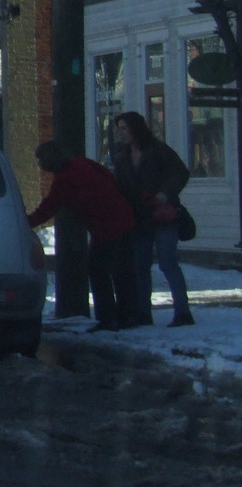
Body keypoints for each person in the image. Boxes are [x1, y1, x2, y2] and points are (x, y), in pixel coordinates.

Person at [31, 141, 142, 332]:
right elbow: (108, 177)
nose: (40, 164)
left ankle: (107, 318)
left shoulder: (64, 179)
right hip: (123, 217)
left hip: (106, 226)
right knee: (123, 271)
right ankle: (128, 314)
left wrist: (24, 222)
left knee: (98, 271)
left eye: (41, 160)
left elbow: (48, 208)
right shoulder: (83, 164)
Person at [110, 111, 193, 327]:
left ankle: (183, 313)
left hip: (162, 215)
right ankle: (143, 313)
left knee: (168, 263)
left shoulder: (158, 150)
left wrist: (163, 195)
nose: (121, 133)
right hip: (138, 218)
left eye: (124, 128)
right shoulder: (121, 156)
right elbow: (120, 187)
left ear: (136, 129)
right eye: (119, 129)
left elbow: (180, 173)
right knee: (140, 266)